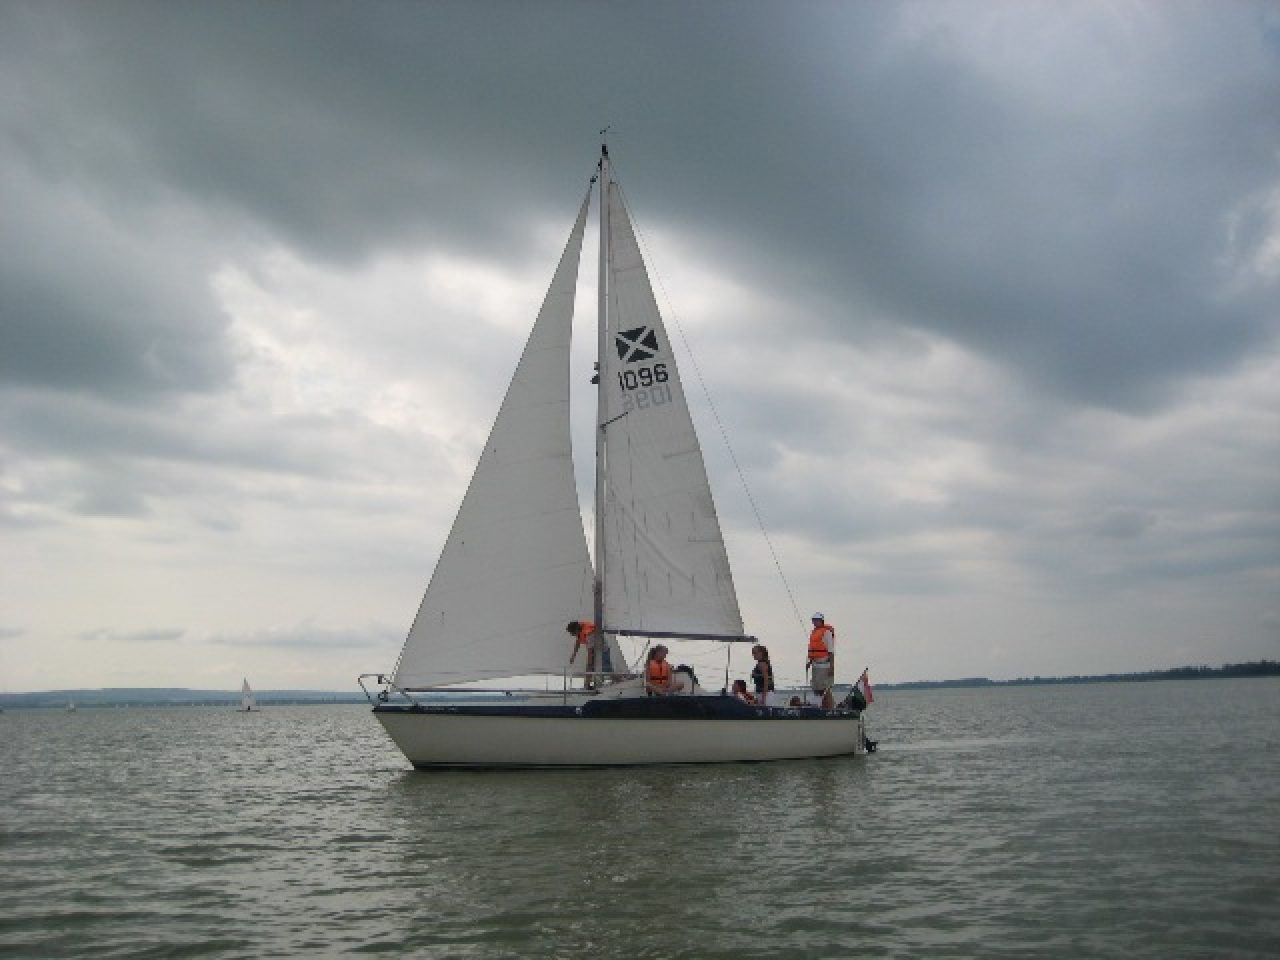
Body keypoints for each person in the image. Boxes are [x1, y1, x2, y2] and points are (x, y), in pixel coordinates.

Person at [807, 612, 836, 710]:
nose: (814, 622)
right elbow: (813, 650)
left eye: (816, 620)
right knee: (816, 688)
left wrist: (832, 667)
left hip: (824, 665)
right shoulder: (814, 633)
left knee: (825, 689)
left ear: (821, 621)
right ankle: (821, 707)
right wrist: (809, 662)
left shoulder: (826, 632)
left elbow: (831, 651)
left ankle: (831, 708)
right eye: (813, 620)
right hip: (815, 665)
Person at [566, 620, 597, 686]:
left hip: (601, 651)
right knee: (589, 667)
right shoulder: (580, 631)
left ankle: (616, 680)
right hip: (593, 650)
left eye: (572, 633)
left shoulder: (589, 633)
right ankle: (587, 684)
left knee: (601, 668)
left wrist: (589, 663)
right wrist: (573, 655)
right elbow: (578, 642)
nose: (572, 635)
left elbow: (590, 650)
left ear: (576, 630)